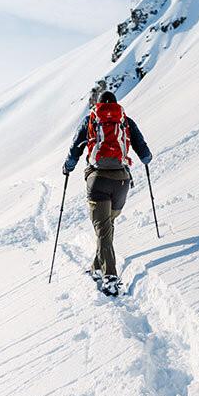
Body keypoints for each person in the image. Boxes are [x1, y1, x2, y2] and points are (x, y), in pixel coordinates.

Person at [62, 91, 152, 296]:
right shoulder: (125, 121)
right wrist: (145, 159)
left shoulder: (91, 119)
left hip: (97, 180)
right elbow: (145, 152)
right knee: (107, 227)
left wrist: (68, 166)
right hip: (121, 181)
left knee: (103, 230)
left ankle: (110, 277)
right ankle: (96, 267)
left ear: (99, 104)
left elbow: (75, 148)